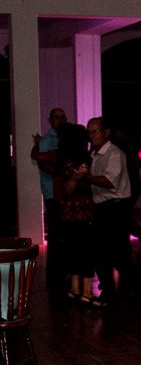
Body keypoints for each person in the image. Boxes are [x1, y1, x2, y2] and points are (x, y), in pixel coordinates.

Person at [79, 117, 133, 306]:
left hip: (116, 207)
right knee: (102, 252)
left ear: (106, 132)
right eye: (89, 132)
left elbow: (109, 181)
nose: (91, 136)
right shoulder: (94, 154)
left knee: (118, 252)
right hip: (103, 207)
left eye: (95, 131)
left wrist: (86, 177)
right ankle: (110, 293)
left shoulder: (114, 153)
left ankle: (124, 293)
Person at [56, 123, 100, 305]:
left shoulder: (65, 159)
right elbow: (67, 188)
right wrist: (78, 176)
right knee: (86, 251)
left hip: (70, 213)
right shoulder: (76, 161)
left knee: (74, 251)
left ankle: (74, 289)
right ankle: (87, 292)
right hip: (81, 212)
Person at [31, 107, 67, 289]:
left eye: (62, 117)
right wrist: (61, 172)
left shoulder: (64, 138)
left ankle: (60, 268)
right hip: (53, 192)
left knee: (62, 230)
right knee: (55, 230)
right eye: (56, 117)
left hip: (62, 191)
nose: (60, 120)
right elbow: (42, 164)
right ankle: (54, 270)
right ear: (50, 120)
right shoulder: (46, 141)